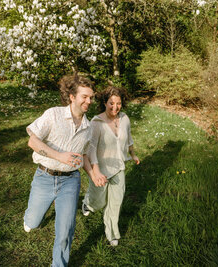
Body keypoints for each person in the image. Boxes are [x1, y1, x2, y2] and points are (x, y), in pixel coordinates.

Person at [23, 74, 95, 267]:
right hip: (44, 177)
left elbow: (85, 156)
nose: (89, 101)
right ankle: (30, 217)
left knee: (66, 229)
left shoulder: (89, 128)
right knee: (33, 221)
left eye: (91, 97)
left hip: (70, 181)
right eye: (84, 97)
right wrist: (59, 156)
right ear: (72, 96)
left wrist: (94, 175)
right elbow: (32, 141)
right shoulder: (53, 114)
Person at [82, 86, 140, 247]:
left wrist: (133, 154)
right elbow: (90, 150)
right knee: (99, 202)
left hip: (119, 168)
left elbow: (128, 139)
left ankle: (112, 234)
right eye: (111, 103)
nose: (115, 107)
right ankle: (88, 202)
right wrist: (96, 171)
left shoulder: (125, 119)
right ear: (104, 103)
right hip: (100, 169)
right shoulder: (97, 123)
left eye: (118, 103)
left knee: (115, 203)